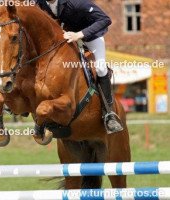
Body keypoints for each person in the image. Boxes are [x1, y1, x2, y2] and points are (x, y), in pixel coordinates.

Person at [35, 0, 123, 133]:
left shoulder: (76, 3)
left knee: (100, 67)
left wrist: (79, 34)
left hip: (89, 38)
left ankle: (109, 114)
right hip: (64, 40)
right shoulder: (39, 3)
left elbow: (105, 19)